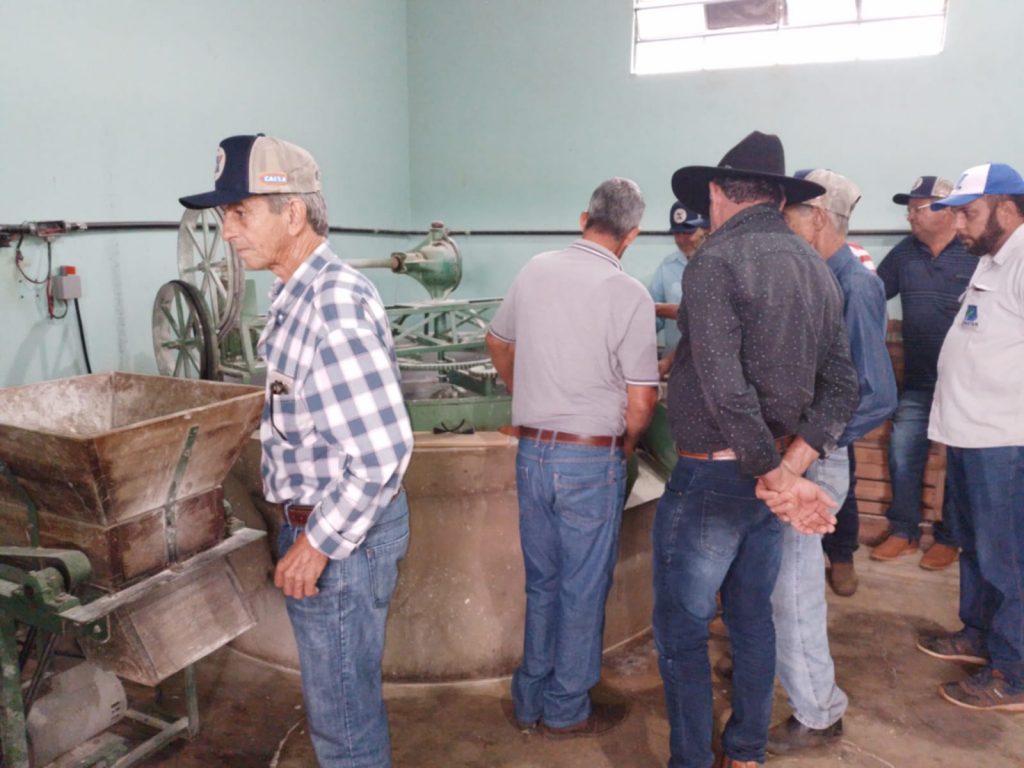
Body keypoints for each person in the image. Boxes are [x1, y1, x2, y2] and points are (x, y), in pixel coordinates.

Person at [179, 134, 414, 767]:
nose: (228, 231)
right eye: (224, 215)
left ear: (293, 213)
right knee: (341, 700)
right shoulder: (298, 294)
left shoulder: (330, 306)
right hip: (327, 529)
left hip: (338, 539)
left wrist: (316, 545)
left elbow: (383, 451)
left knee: (342, 718)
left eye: (240, 212)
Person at [655, 131, 859, 768]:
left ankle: (692, 758)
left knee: (682, 629)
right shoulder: (816, 267)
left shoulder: (714, 261)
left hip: (713, 480)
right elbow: (844, 386)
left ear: (718, 192)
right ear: (778, 197)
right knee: (751, 620)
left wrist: (775, 475)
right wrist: (787, 470)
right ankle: (745, 751)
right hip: (766, 484)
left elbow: (725, 388)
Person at [486, 178, 659, 738]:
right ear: (633, 235)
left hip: (533, 454)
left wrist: (529, 399)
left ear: (584, 218)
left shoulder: (535, 269)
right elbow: (642, 401)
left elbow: (497, 342)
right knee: (582, 588)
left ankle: (529, 699)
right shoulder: (629, 293)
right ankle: (565, 709)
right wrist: (626, 443)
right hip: (588, 459)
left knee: (543, 582)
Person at [768, 170, 897, 753]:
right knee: (776, 584)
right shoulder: (812, 276)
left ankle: (819, 713)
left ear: (818, 217)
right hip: (795, 456)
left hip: (815, 463)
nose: (780, 227)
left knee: (795, 590)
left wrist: (811, 446)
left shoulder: (856, 285)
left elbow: (876, 394)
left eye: (788, 216)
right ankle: (779, 665)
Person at [917, 163, 1024, 711]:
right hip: (970, 435)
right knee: (977, 547)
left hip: (1003, 439)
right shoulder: (991, 258)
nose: (958, 225)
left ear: (1006, 208)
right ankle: (979, 634)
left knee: (1008, 559)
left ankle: (1014, 671)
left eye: (969, 213)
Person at [871, 176, 975, 570]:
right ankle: (904, 531)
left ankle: (949, 538)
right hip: (918, 380)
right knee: (903, 451)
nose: (910, 215)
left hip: (965, 384)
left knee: (958, 462)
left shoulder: (974, 251)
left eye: (919, 207)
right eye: (909, 208)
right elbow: (871, 293)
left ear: (948, 210)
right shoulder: (905, 253)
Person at [648, 202, 708, 359]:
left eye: (688, 233)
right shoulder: (667, 267)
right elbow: (654, 317)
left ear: (703, 229)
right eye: (677, 234)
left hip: (710, 361)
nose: (682, 240)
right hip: (674, 363)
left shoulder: (718, 265)